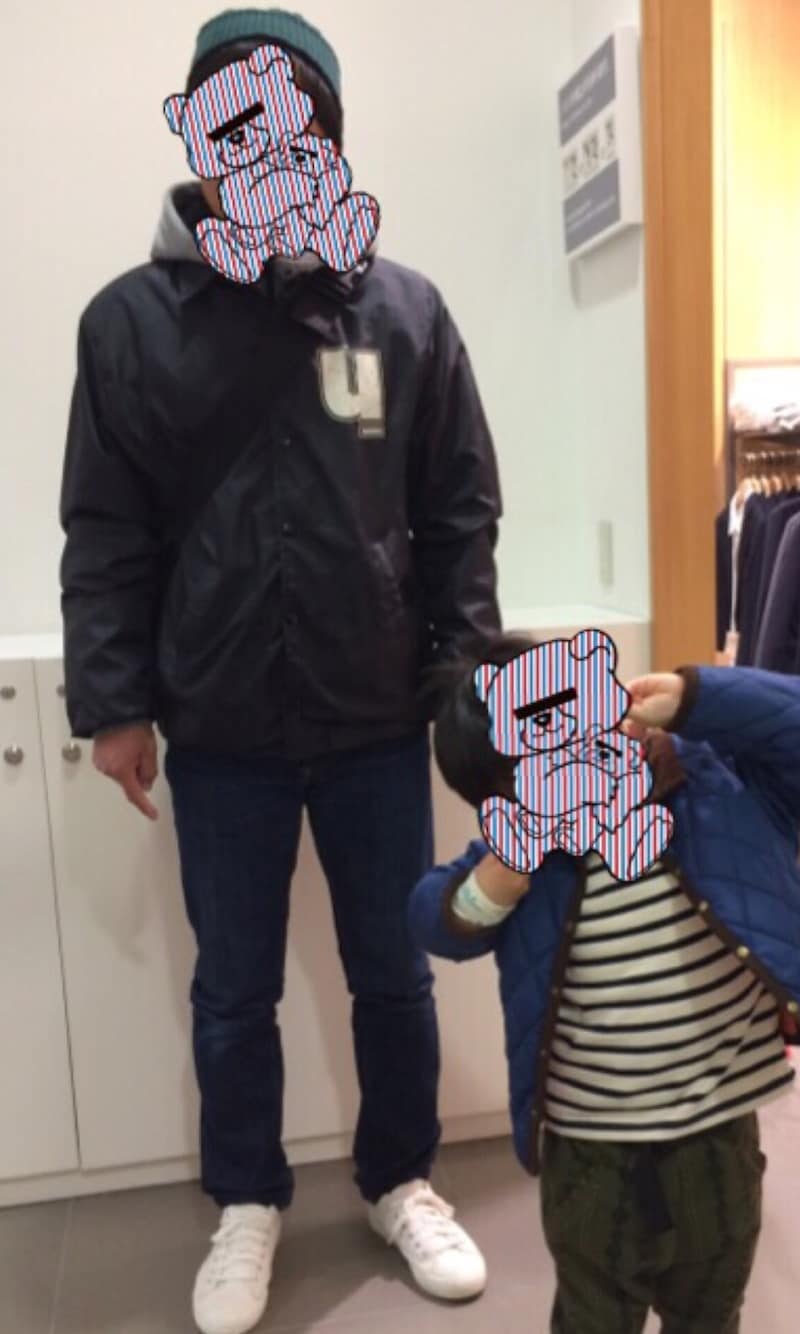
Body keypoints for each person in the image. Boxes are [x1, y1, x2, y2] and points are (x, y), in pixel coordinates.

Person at [59, 10, 501, 1334]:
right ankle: (247, 1199)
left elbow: (458, 510)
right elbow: (106, 526)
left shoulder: (403, 311)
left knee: (395, 971)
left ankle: (401, 1178)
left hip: (375, 719)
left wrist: (459, 679)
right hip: (220, 724)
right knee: (232, 986)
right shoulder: (129, 323)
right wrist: (114, 703)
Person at [409, 641, 800, 1333]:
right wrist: (496, 882)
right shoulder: (525, 858)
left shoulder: (722, 796)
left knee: (711, 1310)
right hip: (590, 1152)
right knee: (593, 1315)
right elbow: (434, 921)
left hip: (718, 1132)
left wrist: (694, 698)